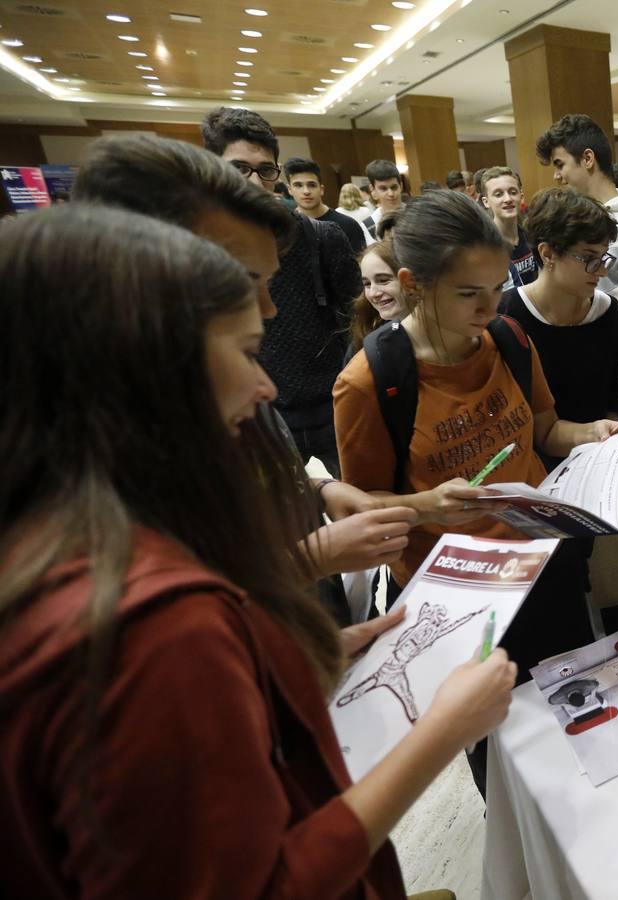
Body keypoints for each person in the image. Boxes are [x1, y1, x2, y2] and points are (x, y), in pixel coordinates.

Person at [0, 204, 516, 897]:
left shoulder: (56, 542)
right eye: (246, 354)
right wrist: (446, 728)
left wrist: (280, 661)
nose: (267, 387)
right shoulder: (152, 628)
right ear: (146, 368)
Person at [332, 189, 618, 795]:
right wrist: (425, 505)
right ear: (415, 283)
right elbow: (361, 514)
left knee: (576, 722)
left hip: (542, 559)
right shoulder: (371, 382)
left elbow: (546, 429)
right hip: (459, 599)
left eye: (497, 287)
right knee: (504, 758)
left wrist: (593, 434)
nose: (490, 306)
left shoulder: (510, 340)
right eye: (469, 293)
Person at [74, 133, 417, 626]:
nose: (267, 307)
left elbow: (257, 476)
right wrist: (311, 558)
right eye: (243, 278)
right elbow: (158, 622)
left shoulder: (230, 382)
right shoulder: (105, 436)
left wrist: (314, 494)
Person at [201, 107, 362, 478]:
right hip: (257, 411)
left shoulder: (320, 237)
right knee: (277, 519)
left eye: (266, 170)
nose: (254, 182)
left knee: (366, 504)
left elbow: (355, 316)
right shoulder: (199, 247)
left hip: (333, 401)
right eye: (239, 168)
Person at [536, 114, 618, 430]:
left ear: (588, 159)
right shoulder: (572, 217)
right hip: (574, 361)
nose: (557, 175)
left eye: (560, 164)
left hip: (617, 371)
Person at [504, 187, 618, 467]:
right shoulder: (508, 317)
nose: (602, 270)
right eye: (588, 258)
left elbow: (611, 402)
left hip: (594, 458)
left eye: (604, 257)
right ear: (548, 253)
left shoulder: (608, 313)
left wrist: (612, 456)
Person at [286, 157, 368, 252]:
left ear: (321, 190)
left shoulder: (348, 225)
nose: (306, 191)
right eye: (298, 185)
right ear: (290, 190)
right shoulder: (285, 228)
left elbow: (360, 263)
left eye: (312, 185)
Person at [348, 239, 407, 362]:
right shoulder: (368, 336)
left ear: (409, 279)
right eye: (367, 284)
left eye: (383, 280)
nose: (374, 293)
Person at [479, 165, 537, 289]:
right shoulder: (485, 247)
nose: (508, 199)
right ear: (486, 202)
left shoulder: (532, 234)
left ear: (521, 196)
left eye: (513, 192)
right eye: (498, 194)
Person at [362, 159, 404, 236]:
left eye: (394, 187)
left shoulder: (417, 216)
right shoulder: (369, 225)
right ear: (373, 190)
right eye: (383, 189)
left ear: (401, 186)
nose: (391, 194)